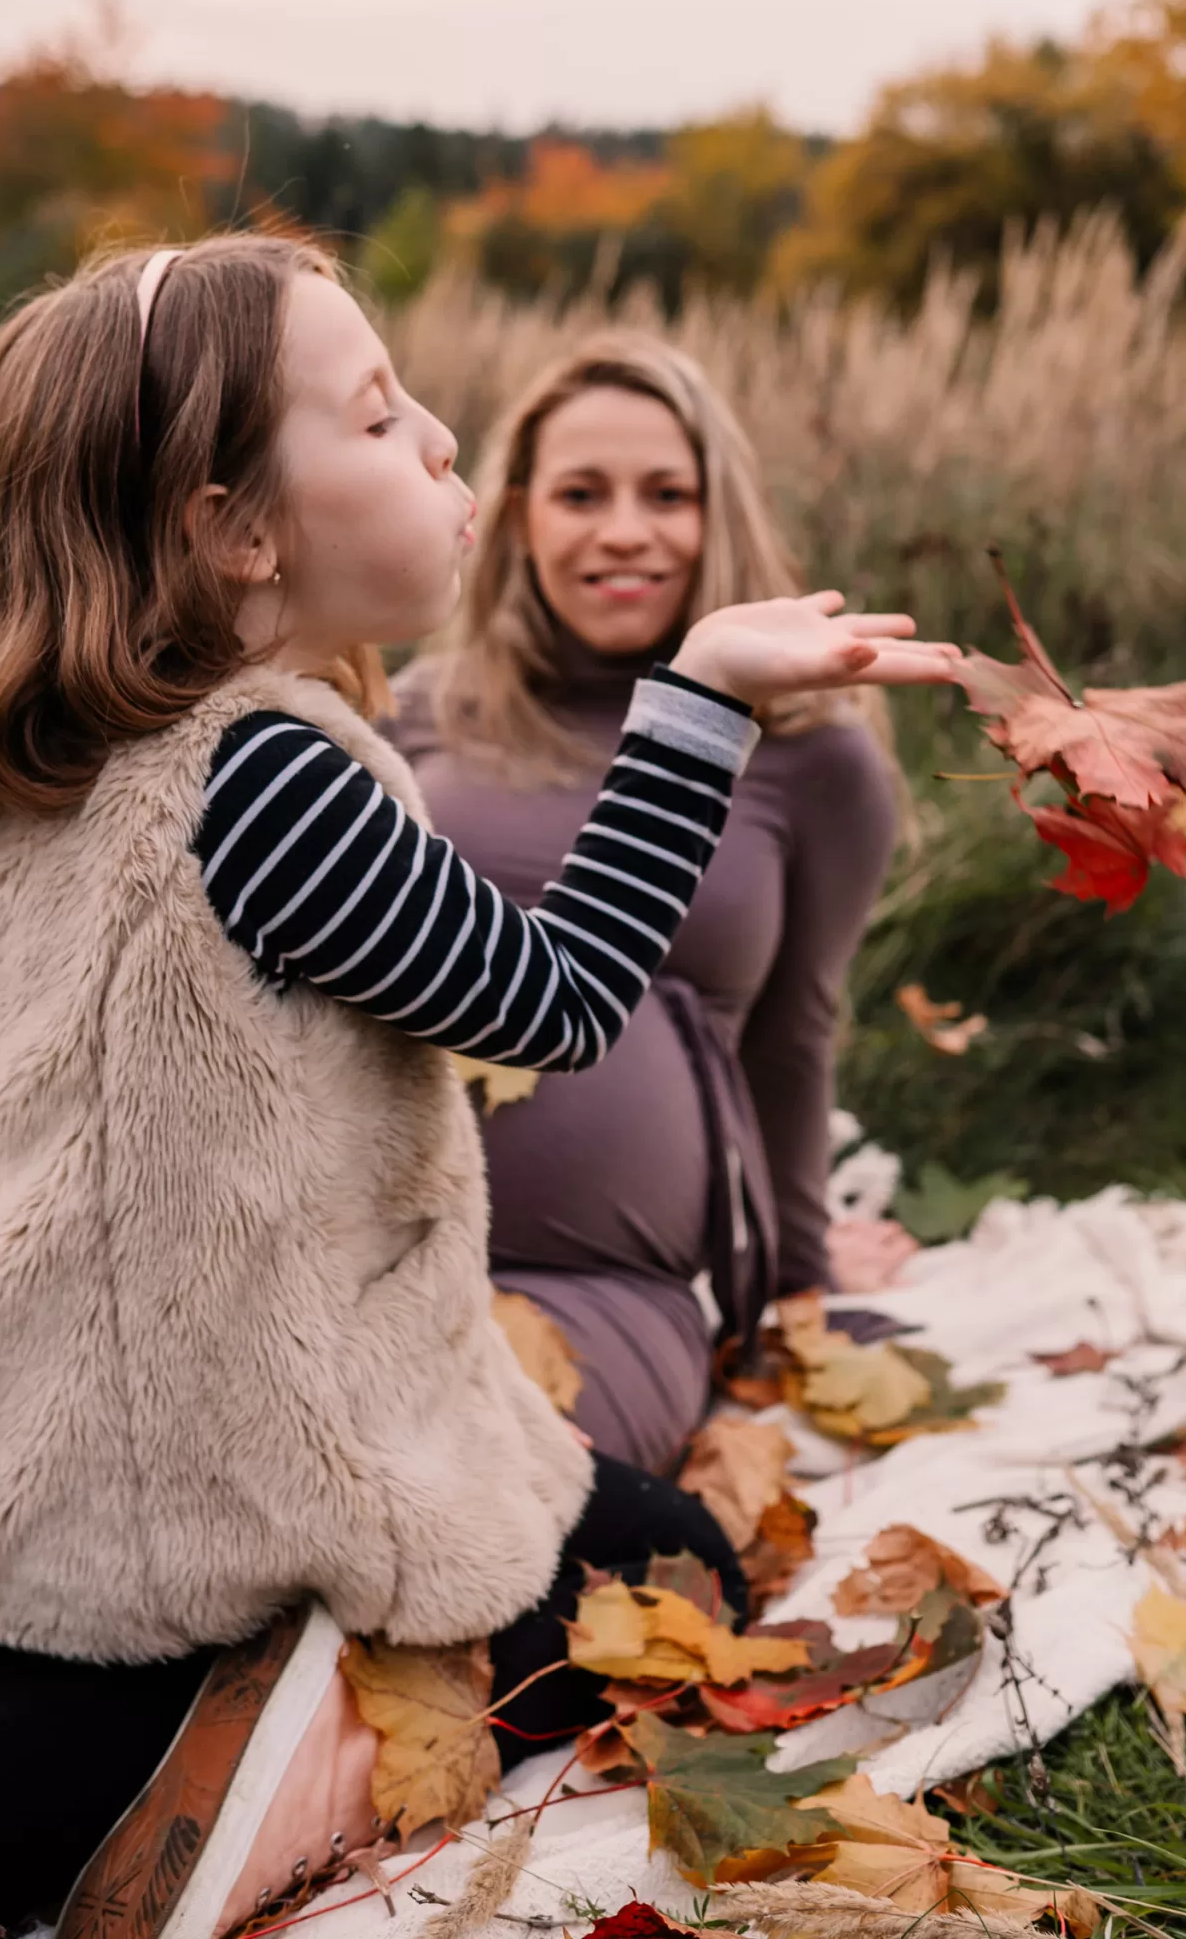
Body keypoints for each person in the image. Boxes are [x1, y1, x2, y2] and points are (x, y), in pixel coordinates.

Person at [0, 234, 961, 1939]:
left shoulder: (7, 762)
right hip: (188, 1507)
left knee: (35, 1642)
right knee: (655, 1567)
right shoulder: (263, 783)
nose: (444, 443)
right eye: (377, 416)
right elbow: (560, 1002)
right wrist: (699, 702)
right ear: (237, 532)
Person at [387, 335, 913, 1476]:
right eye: (583, 493)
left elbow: (794, 1035)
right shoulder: (418, 715)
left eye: (666, 494)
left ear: (715, 512)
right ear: (520, 516)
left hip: (612, 1282)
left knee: (503, 1486)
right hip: (368, 1243)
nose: (625, 529)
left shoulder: (814, 757)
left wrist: (799, 1274)